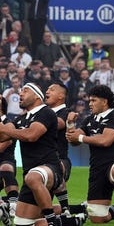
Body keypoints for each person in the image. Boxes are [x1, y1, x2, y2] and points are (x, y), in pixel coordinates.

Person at [0, 83, 85, 226]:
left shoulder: (46, 113)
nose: (20, 94)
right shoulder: (21, 118)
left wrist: (4, 129)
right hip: (30, 173)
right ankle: (72, 221)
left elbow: (31, 135)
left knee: (33, 176)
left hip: (50, 167)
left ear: (36, 96)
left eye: (25, 90)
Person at [65, 85, 114, 225]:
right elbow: (73, 140)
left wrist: (79, 138)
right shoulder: (89, 119)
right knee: (98, 218)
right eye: (89, 101)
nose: (90, 103)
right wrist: (70, 124)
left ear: (104, 102)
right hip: (97, 169)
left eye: (93, 100)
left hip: (113, 163)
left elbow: (105, 141)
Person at [45, 82, 73, 213]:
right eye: (47, 89)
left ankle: (66, 210)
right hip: (40, 161)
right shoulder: (43, 112)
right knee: (38, 212)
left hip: (60, 159)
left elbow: (58, 124)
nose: (47, 91)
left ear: (61, 96)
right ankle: (78, 209)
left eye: (51, 89)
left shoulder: (66, 112)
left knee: (57, 167)